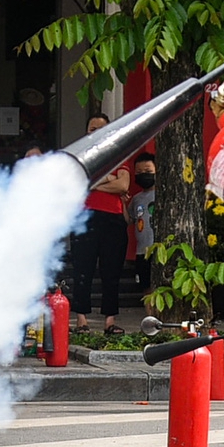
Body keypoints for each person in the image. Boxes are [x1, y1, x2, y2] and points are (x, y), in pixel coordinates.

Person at [69, 113, 130, 333]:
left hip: (112, 219)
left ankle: (110, 321)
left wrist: (94, 181)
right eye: (91, 128)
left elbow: (123, 186)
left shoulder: (120, 153)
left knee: (111, 271)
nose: (94, 132)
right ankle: (82, 319)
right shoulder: (80, 155)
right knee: (82, 269)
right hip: (85, 217)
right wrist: (109, 180)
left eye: (99, 128)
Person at [127, 153, 157, 295]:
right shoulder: (136, 199)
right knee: (146, 288)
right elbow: (129, 220)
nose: (144, 175)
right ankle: (150, 315)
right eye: (139, 172)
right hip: (142, 251)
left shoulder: (165, 194)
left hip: (160, 250)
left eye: (148, 172)